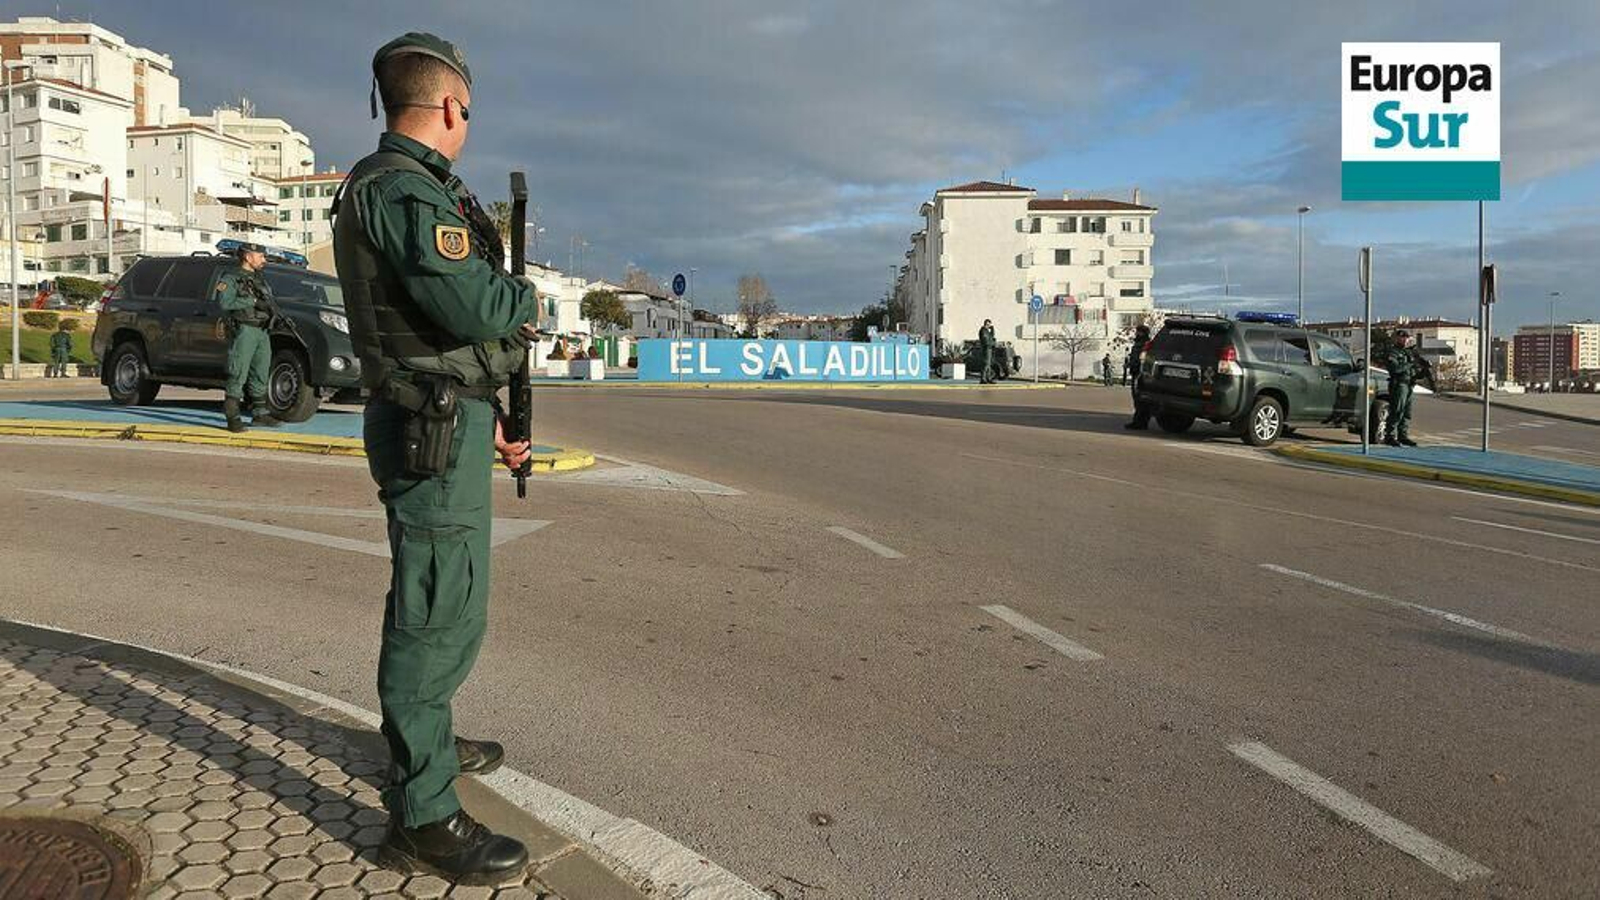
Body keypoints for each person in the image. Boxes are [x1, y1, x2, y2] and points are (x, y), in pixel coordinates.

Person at [332, 31, 540, 884]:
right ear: (451, 105)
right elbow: (476, 305)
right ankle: (422, 815)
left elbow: (431, 329)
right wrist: (524, 296)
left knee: (445, 598)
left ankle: (428, 741)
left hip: (446, 417)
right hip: (429, 428)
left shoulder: (399, 187)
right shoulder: (405, 192)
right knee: (434, 609)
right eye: (469, 112)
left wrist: (487, 407)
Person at [215, 243, 282, 432]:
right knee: (238, 371)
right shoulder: (231, 278)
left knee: (260, 372)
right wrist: (251, 301)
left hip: (262, 330)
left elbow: (269, 303)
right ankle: (233, 417)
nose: (264, 260)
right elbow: (224, 302)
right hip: (244, 330)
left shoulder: (259, 279)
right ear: (248, 257)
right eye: (260, 256)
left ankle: (260, 414)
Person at [1383, 329, 1424, 447]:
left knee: (1407, 412)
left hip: (1409, 384)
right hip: (1399, 384)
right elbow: (1395, 369)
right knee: (1397, 410)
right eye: (1402, 337)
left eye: (1406, 338)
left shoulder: (1409, 353)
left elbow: (1415, 371)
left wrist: (1422, 370)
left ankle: (1403, 435)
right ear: (1396, 339)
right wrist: (1410, 363)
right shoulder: (1393, 352)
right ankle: (1390, 436)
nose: (1405, 340)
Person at [1124, 324, 1152, 429]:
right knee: (1137, 398)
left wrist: (1136, 367)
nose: (1136, 333)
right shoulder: (1139, 343)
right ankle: (1138, 421)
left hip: (1140, 374)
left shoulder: (1145, 344)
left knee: (1140, 399)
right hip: (1136, 372)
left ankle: (1141, 422)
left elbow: (1142, 359)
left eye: (1138, 332)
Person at [978, 318, 997, 383]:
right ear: (986, 324)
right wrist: (992, 343)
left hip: (989, 348)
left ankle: (988, 378)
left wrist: (992, 330)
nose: (989, 326)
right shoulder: (983, 331)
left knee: (989, 364)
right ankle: (983, 379)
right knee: (986, 364)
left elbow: (991, 337)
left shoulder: (987, 331)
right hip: (986, 349)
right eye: (989, 324)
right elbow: (986, 341)